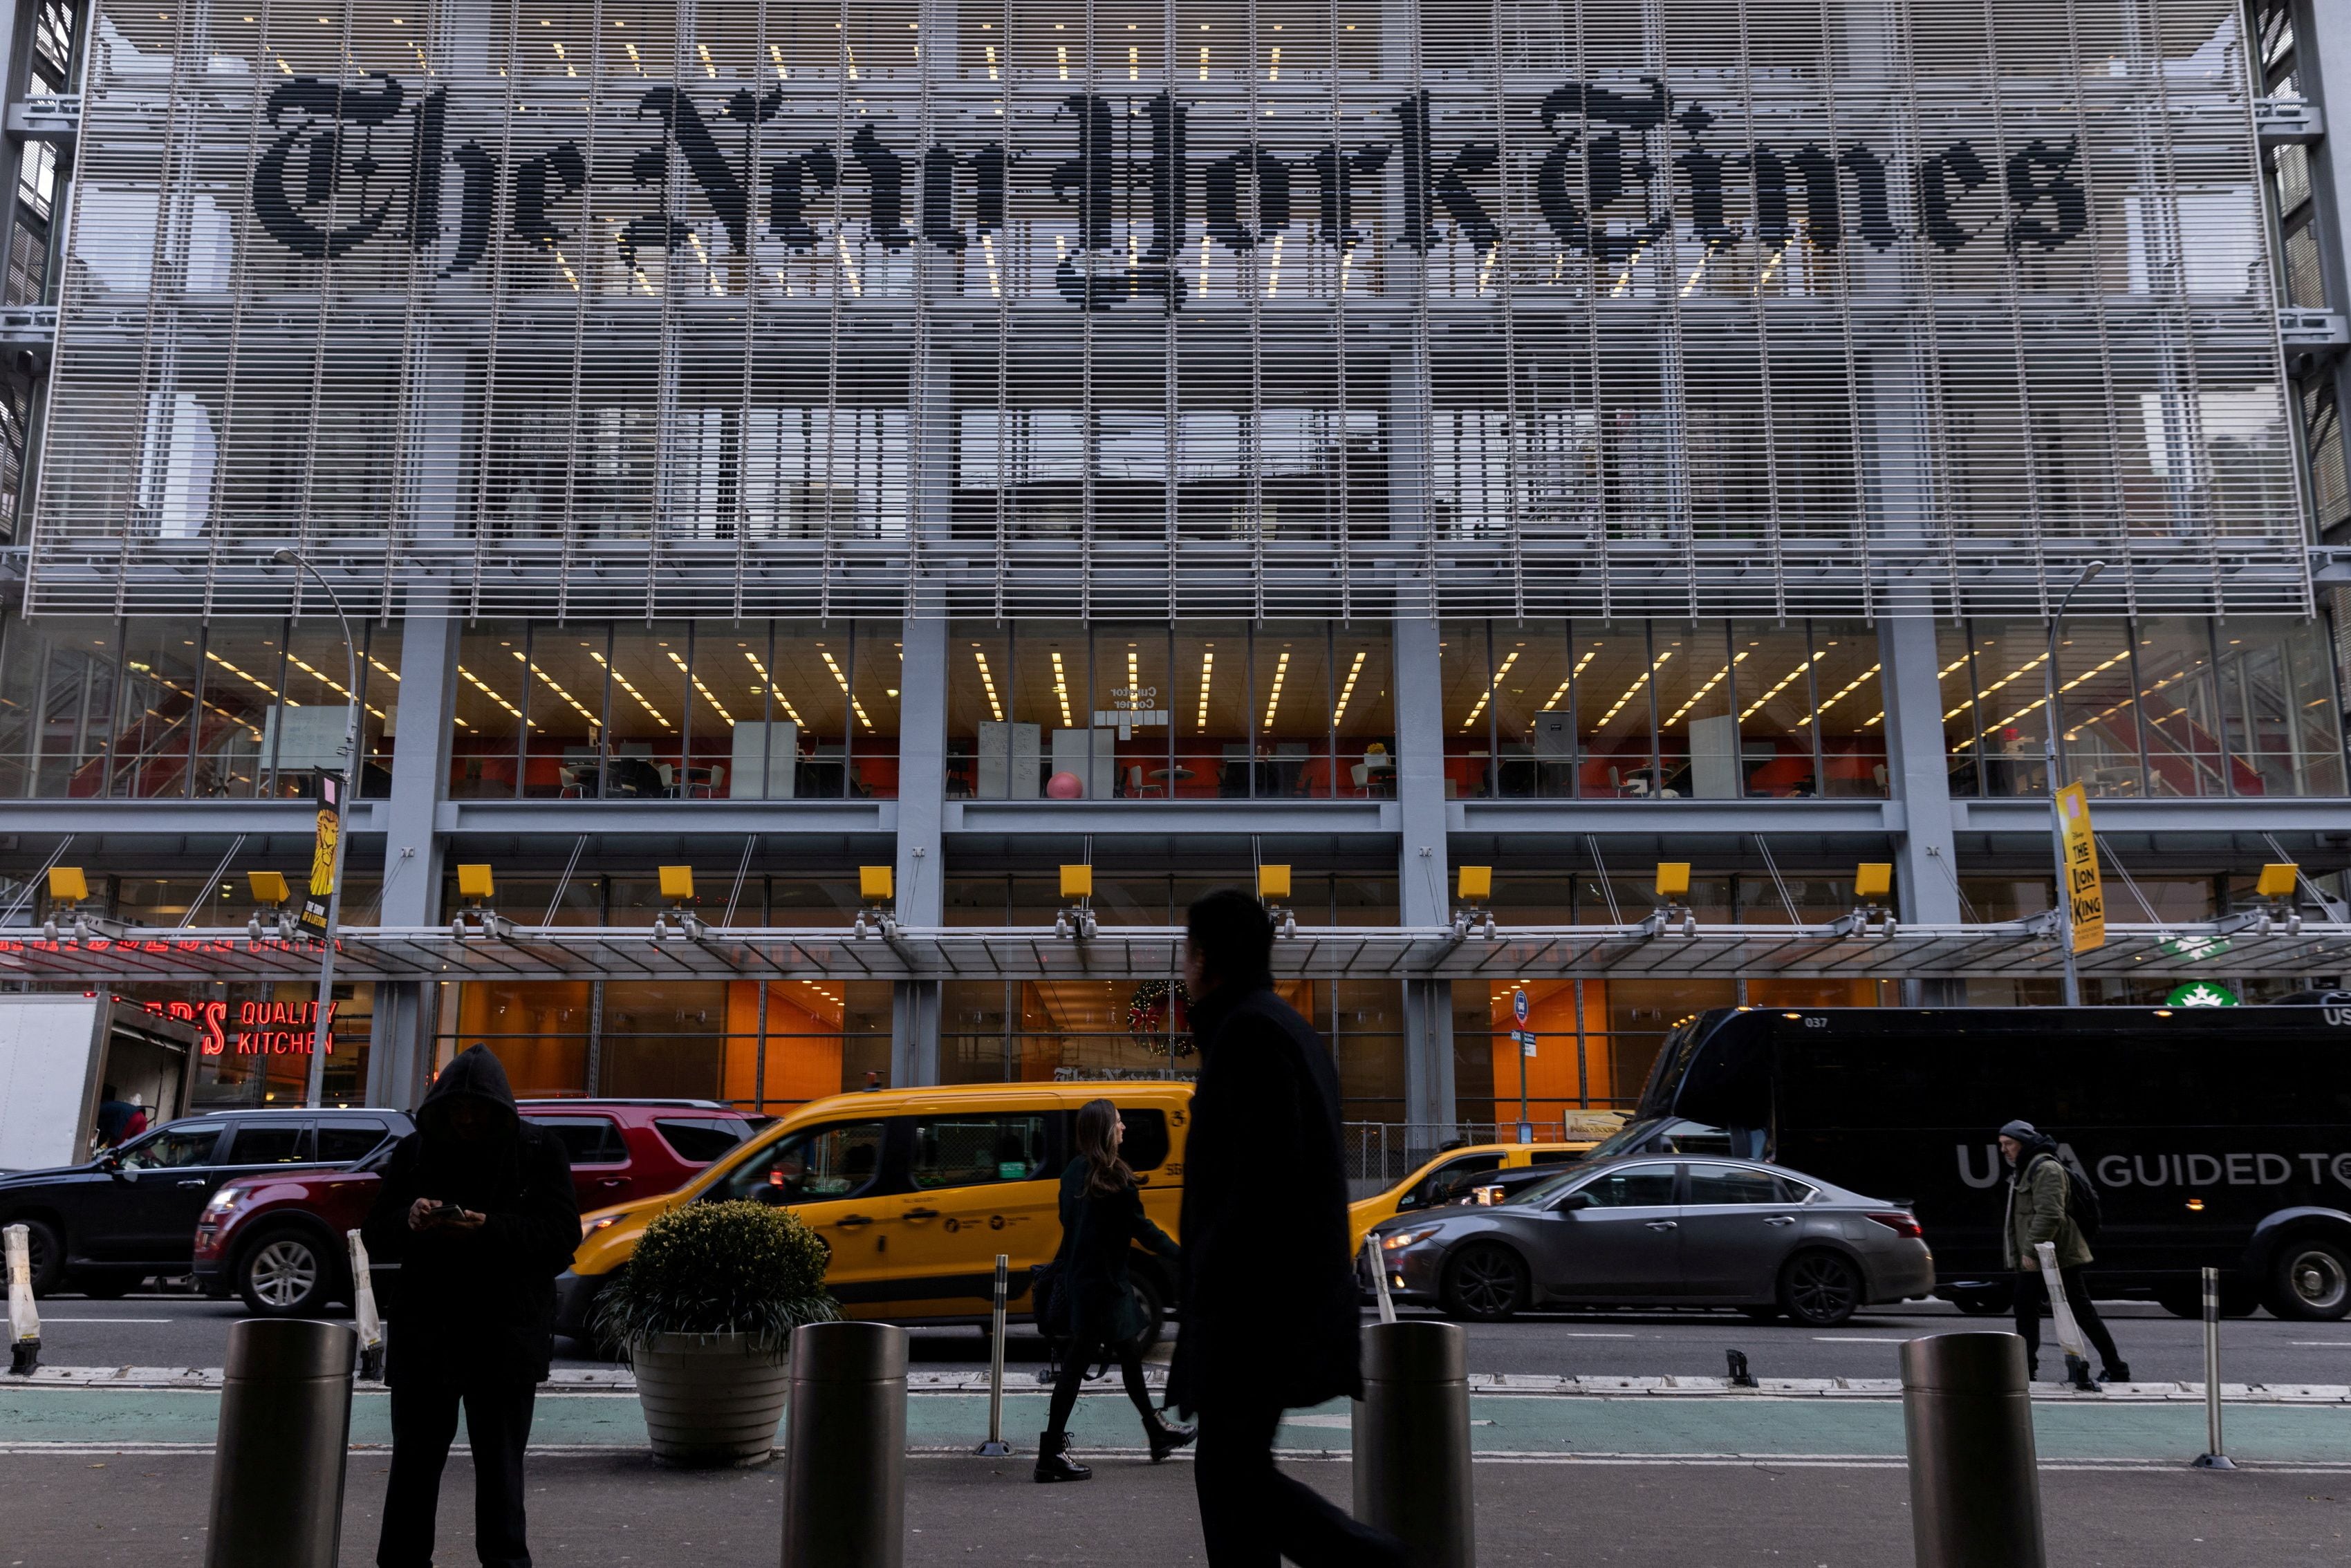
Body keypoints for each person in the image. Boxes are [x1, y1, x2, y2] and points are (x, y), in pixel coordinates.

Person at [1167, 888, 1408, 1568]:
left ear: (1205, 959)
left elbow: (1256, 1192)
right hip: (1269, 1308)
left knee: (1231, 1479)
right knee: (1230, 1478)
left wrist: (1211, 1303)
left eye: (1187, 956)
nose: (1183, 972)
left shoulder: (1249, 1035)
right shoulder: (1279, 1028)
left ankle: (1377, 1559)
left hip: (1252, 1313)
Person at [364, 1045, 578, 1568]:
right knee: (419, 1469)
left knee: (495, 1473)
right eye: (456, 1108)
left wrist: (489, 1228)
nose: (464, 1118)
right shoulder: (414, 1152)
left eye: (475, 1109)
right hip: (439, 1333)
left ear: (496, 1109)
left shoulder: (537, 1150)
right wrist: (408, 1219)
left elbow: (561, 1238)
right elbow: (375, 1233)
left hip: (497, 1335)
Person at [1035, 1098, 1191, 1482]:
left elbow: (1069, 1223)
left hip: (1086, 1283)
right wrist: (1185, 1257)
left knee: (1130, 1354)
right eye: (1119, 1123)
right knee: (1075, 1369)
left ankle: (1156, 1433)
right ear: (1105, 1130)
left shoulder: (1073, 1173)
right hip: (1105, 1288)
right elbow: (1144, 1231)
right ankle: (1050, 1454)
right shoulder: (1116, 1178)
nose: (1123, 1129)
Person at [2000, 1119, 2128, 1384]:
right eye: (2001, 1145)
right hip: (2043, 1254)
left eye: (2009, 1144)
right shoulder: (2026, 1168)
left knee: (2076, 1311)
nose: (2004, 1150)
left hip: (2055, 1255)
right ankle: (2027, 1370)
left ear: (2023, 1144)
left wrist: (2030, 1251)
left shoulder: (2045, 1168)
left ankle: (2116, 1369)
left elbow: (2050, 1214)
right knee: (2030, 1308)